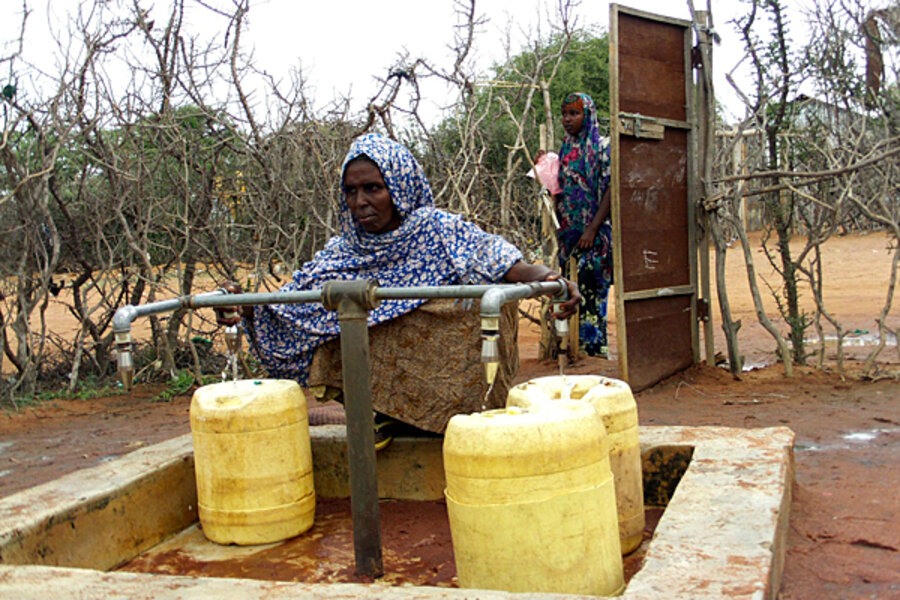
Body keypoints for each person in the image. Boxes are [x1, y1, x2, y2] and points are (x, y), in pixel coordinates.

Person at [217, 133, 579, 401]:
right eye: (351, 191)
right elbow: (292, 307)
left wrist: (549, 279)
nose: (359, 202)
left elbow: (501, 262)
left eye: (373, 188)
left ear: (400, 187)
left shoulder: (437, 231)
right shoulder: (342, 253)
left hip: (447, 394)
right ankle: (372, 412)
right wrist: (244, 303)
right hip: (372, 403)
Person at [543, 92, 613, 357]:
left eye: (574, 113)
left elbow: (609, 190)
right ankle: (570, 351)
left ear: (588, 115)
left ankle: (593, 355)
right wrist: (545, 167)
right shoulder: (565, 150)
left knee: (593, 295)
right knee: (570, 291)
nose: (568, 119)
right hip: (570, 237)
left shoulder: (601, 148)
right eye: (565, 114)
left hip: (594, 237)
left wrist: (592, 228)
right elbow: (559, 190)